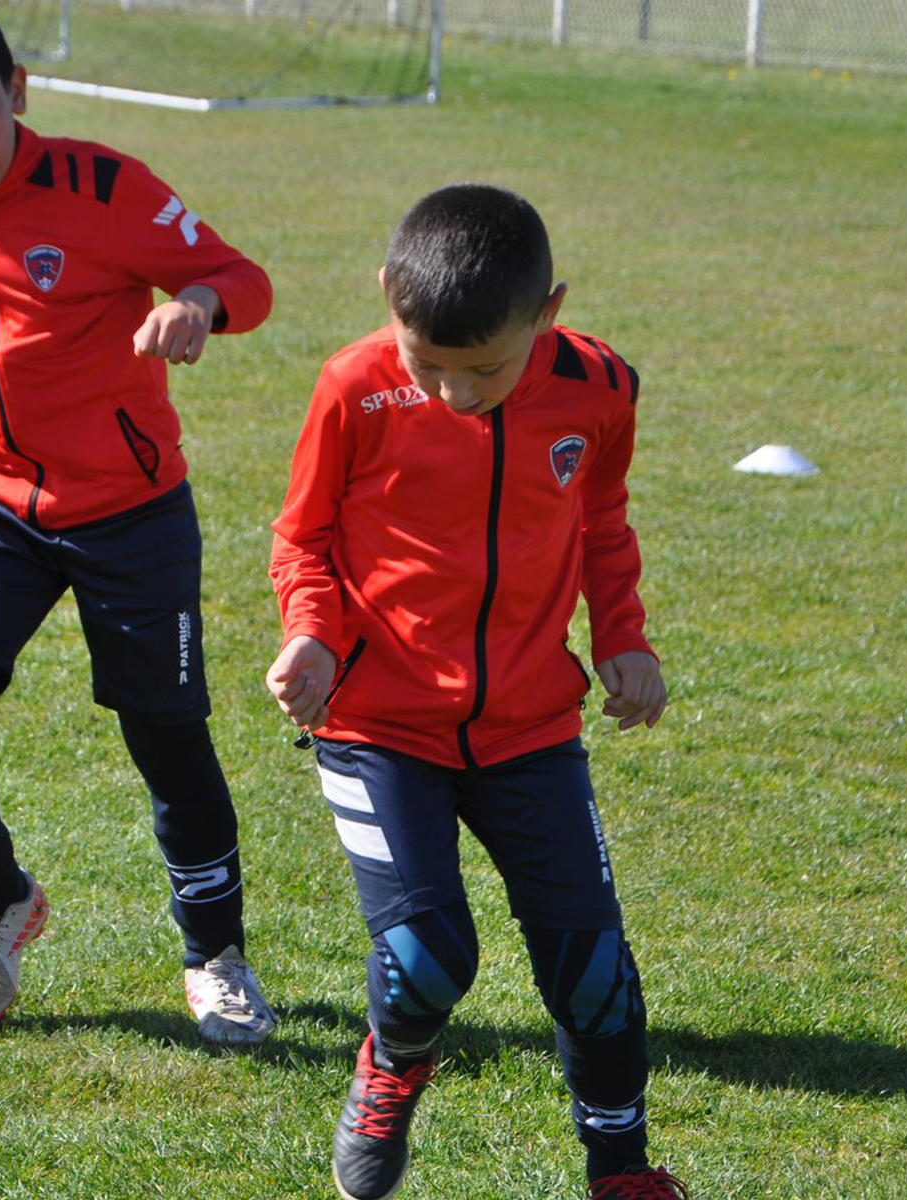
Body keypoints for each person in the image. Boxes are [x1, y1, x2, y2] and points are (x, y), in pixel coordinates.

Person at [0, 0, 276, 1045]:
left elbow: (243, 278)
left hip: (132, 514)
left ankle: (214, 955)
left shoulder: (104, 185)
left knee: (166, 741)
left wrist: (195, 307)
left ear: (20, 95)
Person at [266, 184, 685, 1199]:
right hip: (375, 726)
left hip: (530, 729)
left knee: (593, 974)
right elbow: (303, 537)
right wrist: (313, 636)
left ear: (547, 311)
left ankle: (621, 1174)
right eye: (429, 365)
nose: (453, 393)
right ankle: (389, 1067)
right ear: (387, 302)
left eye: (483, 370)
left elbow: (601, 523)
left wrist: (622, 638)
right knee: (424, 957)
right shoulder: (353, 386)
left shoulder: (597, 384)